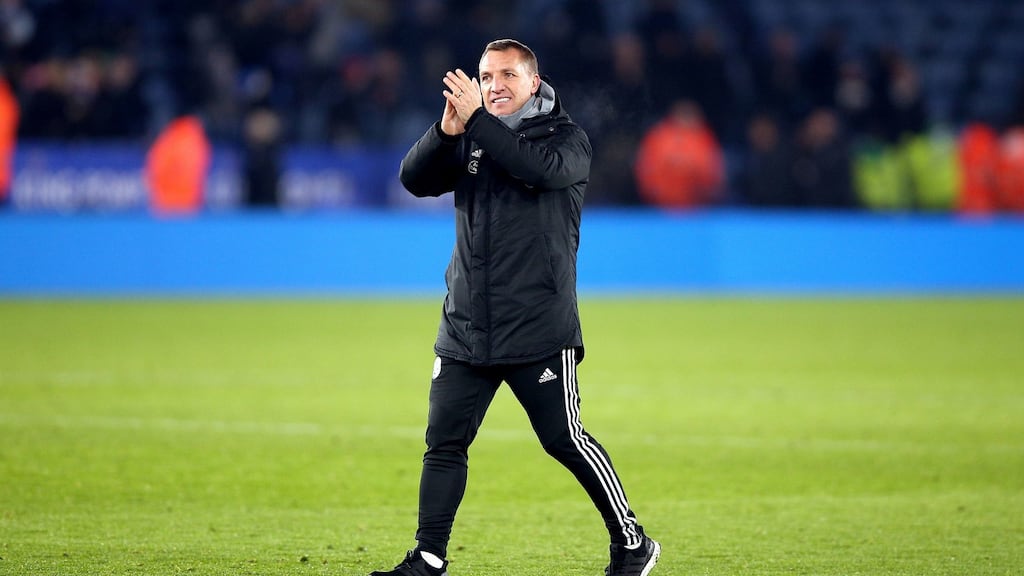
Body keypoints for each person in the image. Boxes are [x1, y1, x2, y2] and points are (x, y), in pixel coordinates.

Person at [370, 39, 660, 576]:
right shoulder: (472, 135)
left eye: (507, 74)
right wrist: (445, 133)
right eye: (485, 76)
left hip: (537, 326)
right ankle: (429, 558)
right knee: (444, 444)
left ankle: (632, 542)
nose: (494, 85)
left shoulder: (567, 139)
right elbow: (414, 180)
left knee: (564, 440)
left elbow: (536, 170)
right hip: (467, 324)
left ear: (534, 82)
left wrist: (476, 122)